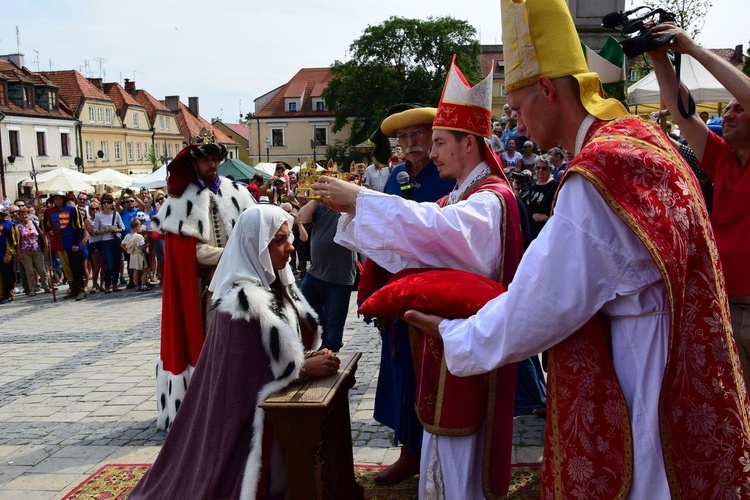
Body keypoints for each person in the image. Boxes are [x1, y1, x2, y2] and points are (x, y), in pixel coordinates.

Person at [403, 1, 750, 498]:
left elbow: (537, 306)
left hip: (638, 378)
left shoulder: (599, 175)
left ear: (547, 89)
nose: (516, 126)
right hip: (680, 367)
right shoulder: (641, 140)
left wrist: (456, 337)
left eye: (518, 110)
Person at [313, 58, 523, 499]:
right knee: (440, 448)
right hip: (446, 337)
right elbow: (417, 242)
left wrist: (363, 200)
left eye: (441, 141)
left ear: (470, 144)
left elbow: (438, 231)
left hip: (467, 341)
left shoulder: (489, 200)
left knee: (460, 458)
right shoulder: (463, 194)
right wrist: (358, 208)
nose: (432, 151)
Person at [130, 204, 339, 499]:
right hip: (243, 428)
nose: (291, 247)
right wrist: (303, 369)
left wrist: (305, 358)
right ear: (255, 245)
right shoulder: (240, 304)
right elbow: (245, 376)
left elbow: (276, 351)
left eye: (288, 237)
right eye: (279, 241)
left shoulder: (276, 284)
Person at [649, 22, 750, 392]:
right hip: (727, 306)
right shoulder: (724, 158)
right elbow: (683, 114)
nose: (731, 114)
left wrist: (692, 48)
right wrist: (659, 58)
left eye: (740, 108)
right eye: (730, 109)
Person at [358, 103, 454, 485]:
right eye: (404, 137)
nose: (411, 144)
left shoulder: (447, 174)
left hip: (440, 293)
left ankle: (447, 455)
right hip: (401, 292)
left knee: (439, 378)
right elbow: (384, 231)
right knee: (402, 374)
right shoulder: (395, 174)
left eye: (418, 135)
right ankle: (410, 451)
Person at [151, 140, 255, 430]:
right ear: (194, 164)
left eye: (215, 159)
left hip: (242, 284)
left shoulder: (238, 193)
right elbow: (192, 253)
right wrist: (234, 254)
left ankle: (240, 403)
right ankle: (208, 406)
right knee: (213, 345)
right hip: (206, 290)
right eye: (206, 160)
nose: (212, 165)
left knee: (243, 345)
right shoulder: (180, 202)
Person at [297, 193, 357, 353]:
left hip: (340, 276)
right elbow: (300, 218)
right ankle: (317, 347)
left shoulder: (350, 204)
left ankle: (330, 352)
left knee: (334, 324)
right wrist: (316, 199)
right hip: (315, 272)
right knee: (307, 313)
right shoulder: (321, 204)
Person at [43, 190, 86, 301]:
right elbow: (46, 228)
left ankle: (81, 290)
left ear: (64, 199)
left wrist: (76, 243)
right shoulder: (49, 211)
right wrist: (41, 220)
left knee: (77, 267)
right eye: (55, 198)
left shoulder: (72, 209)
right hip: (59, 243)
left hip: (72, 241)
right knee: (66, 268)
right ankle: (73, 289)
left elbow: (79, 227)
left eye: (60, 198)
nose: (57, 200)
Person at [93, 194, 125, 293]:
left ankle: (115, 284)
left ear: (111, 204)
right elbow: (95, 231)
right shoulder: (98, 216)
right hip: (106, 242)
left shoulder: (116, 214)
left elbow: (122, 227)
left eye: (108, 202)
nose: (106, 204)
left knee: (116, 263)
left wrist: (115, 230)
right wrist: (106, 230)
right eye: (104, 202)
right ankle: (107, 285)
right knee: (109, 264)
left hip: (116, 240)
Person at [16, 207, 52, 295]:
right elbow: (17, 241)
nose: (24, 216)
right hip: (25, 251)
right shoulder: (18, 227)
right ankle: (32, 289)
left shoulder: (35, 223)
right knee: (30, 271)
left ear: (29, 214)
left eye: (26, 214)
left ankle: (46, 286)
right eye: (22, 215)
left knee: (42, 270)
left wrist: (46, 244)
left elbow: (43, 233)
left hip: (37, 250)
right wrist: (19, 253)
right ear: (19, 216)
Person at [524, 154, 558, 240]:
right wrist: (516, 186)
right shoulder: (533, 183)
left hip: (544, 232)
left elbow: (561, 210)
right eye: (538, 168)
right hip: (529, 230)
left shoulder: (555, 186)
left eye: (544, 168)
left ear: (550, 169)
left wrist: (546, 217)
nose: (540, 170)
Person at [121, 218, 148, 291]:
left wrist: (127, 250)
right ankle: (143, 284)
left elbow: (122, 244)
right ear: (137, 226)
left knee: (135, 270)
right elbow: (142, 247)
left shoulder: (127, 236)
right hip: (139, 254)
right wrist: (147, 244)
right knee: (144, 269)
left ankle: (136, 285)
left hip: (132, 255)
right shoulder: (139, 237)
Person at [0, 206, 19, 303]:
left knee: (7, 276)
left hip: (5, 254)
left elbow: (12, 242)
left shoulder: (9, 225)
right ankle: (1, 295)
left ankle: (8, 295)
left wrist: (8, 254)